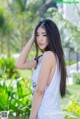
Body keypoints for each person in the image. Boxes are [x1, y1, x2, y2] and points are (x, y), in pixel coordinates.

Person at [15, 19, 66, 119]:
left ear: (52, 36)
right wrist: (31, 39)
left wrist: (32, 117)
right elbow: (19, 64)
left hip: (47, 114)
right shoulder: (44, 58)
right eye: (37, 35)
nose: (40, 39)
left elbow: (39, 90)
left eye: (44, 35)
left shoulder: (49, 56)